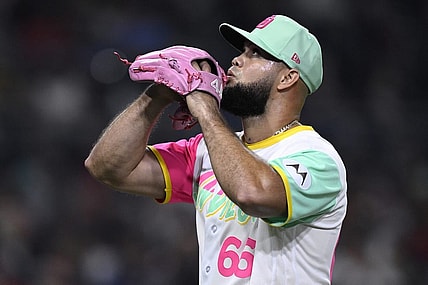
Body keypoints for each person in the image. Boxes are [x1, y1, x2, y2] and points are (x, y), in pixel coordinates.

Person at [85, 14, 347, 284]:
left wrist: (207, 112)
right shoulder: (206, 150)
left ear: (288, 77)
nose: (237, 60)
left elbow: (253, 193)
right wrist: (157, 96)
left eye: (256, 53)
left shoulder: (317, 158)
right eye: (242, 51)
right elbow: (107, 167)